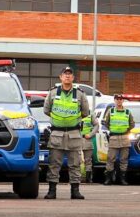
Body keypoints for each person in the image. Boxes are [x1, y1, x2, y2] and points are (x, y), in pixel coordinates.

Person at [43, 66, 89, 200]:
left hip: (74, 134)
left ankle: (75, 191)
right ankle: (52, 191)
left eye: (70, 74)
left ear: (73, 78)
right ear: (61, 77)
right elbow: (46, 110)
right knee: (54, 164)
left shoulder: (80, 94)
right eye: (65, 74)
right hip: (57, 133)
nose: (67, 76)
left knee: (75, 164)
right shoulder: (52, 93)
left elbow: (85, 112)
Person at [103, 94, 135, 185]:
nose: (119, 101)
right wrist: (113, 130)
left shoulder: (128, 112)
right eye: (117, 99)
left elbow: (132, 124)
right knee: (110, 158)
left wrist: (126, 130)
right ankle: (108, 179)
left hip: (125, 138)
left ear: (123, 100)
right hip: (114, 138)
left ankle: (122, 179)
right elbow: (106, 123)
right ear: (115, 100)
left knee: (124, 159)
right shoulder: (111, 111)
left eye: (121, 99)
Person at [81, 111, 99, 183]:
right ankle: (77, 178)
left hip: (87, 139)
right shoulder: (74, 111)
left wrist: (91, 134)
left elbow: (96, 125)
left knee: (88, 160)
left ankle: (88, 179)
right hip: (76, 139)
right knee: (75, 160)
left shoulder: (90, 114)